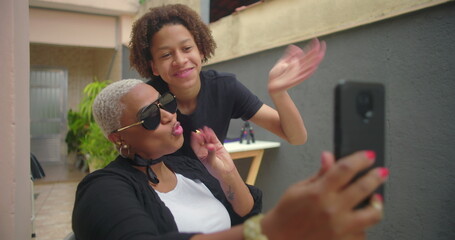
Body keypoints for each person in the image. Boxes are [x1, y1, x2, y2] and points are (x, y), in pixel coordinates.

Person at [72, 79, 388, 240]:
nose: (169, 115)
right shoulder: (103, 189)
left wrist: (225, 171)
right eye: (150, 116)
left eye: (166, 103)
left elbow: (247, 212)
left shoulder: (186, 165)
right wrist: (273, 229)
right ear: (119, 137)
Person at [129, 4, 326, 160]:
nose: (180, 60)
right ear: (153, 66)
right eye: (166, 54)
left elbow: (297, 137)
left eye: (187, 48)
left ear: (201, 50)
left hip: (214, 189)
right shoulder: (147, 100)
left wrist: (279, 93)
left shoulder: (224, 87)